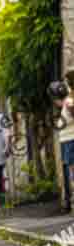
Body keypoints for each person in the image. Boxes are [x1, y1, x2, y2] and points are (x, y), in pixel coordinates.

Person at [50, 75, 74, 210]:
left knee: (72, 171)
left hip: (71, 140)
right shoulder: (66, 103)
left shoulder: (68, 102)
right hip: (66, 140)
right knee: (70, 172)